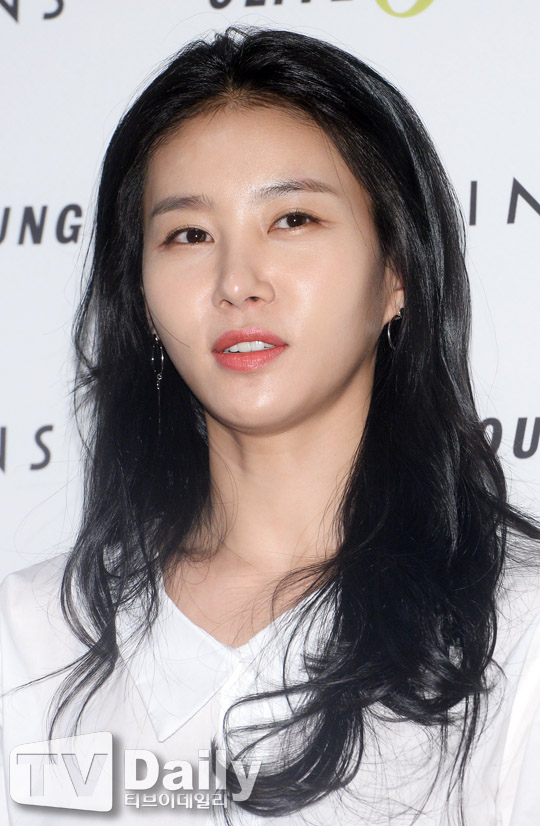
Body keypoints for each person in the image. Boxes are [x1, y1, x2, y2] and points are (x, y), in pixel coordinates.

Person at [1, 25, 539, 826]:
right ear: (140, 297)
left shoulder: (518, 632)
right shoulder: (32, 637)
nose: (237, 281)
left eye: (292, 220)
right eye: (188, 234)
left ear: (396, 272)